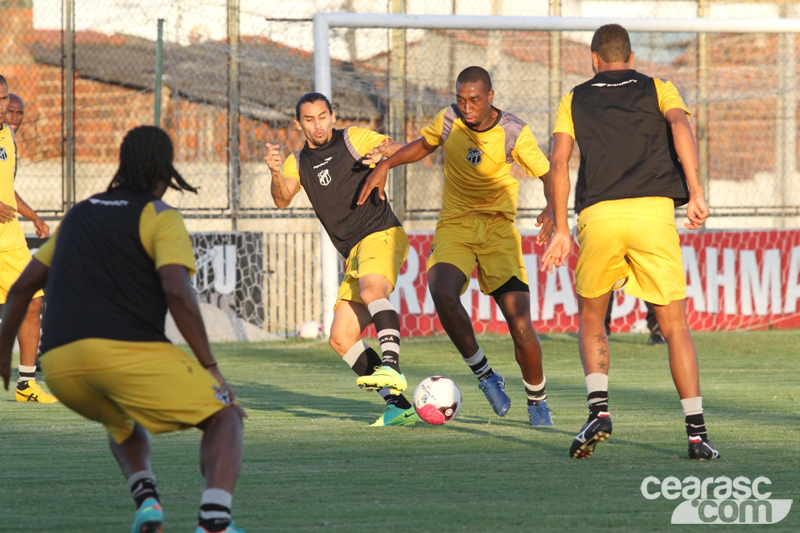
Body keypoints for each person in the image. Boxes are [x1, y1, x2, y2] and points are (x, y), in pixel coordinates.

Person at [0, 126, 247, 533]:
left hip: (61, 369)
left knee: (121, 418)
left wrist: (2, 350)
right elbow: (178, 293)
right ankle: (215, 522)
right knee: (226, 417)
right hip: (125, 352)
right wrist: (211, 368)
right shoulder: (159, 215)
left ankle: (147, 501)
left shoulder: (81, 212)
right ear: (162, 170)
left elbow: (24, 285)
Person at [543, 24, 720, 460]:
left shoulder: (574, 97)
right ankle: (697, 435)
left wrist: (562, 226)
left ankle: (598, 411)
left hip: (599, 215)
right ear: (632, 57)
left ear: (593, 59)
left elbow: (559, 162)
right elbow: (680, 127)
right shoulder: (659, 87)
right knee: (675, 325)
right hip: (653, 213)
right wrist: (696, 192)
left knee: (591, 317)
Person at [358, 66, 555, 426]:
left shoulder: (514, 131)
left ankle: (537, 401)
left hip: (498, 231)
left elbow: (548, 173)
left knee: (521, 324)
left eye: (475, 101)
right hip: (456, 226)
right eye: (462, 100)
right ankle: (485, 376)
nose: (467, 107)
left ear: (490, 98)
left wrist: (554, 206)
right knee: (442, 291)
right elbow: (423, 145)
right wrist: (386, 164)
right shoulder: (449, 118)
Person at [266, 92, 418, 427]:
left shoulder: (353, 138)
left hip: (381, 233)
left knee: (372, 290)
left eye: (323, 117)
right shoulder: (298, 161)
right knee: (340, 337)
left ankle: (391, 366)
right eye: (309, 119)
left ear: (332, 116)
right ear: (298, 123)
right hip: (353, 252)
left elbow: (400, 147)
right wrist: (276, 173)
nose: (317, 125)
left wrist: (384, 152)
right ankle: (399, 406)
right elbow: (282, 199)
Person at [0, 77, 53, 403]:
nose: (2, 105)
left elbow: (7, 189)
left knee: (33, 301)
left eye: (4, 98)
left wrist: (32, 215)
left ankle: (26, 385)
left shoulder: (8, 136)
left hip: (11, 240)